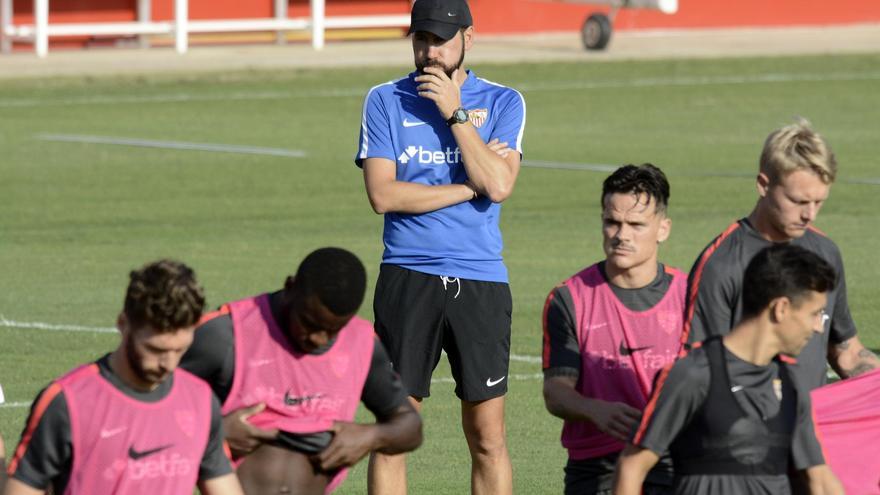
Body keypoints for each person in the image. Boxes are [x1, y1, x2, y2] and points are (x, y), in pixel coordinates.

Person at [355, 0, 526, 493]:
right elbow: (383, 194)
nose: (429, 52)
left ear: (468, 39)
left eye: (440, 40)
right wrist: (466, 187)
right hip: (408, 276)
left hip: (481, 280)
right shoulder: (385, 100)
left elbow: (499, 184)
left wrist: (454, 113)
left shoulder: (503, 102)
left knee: (488, 437)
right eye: (421, 39)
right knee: (395, 433)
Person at [178, 247, 422, 495]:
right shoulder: (226, 334)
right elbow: (152, 411)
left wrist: (371, 436)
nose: (317, 339)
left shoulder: (361, 343)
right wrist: (216, 433)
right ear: (290, 287)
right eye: (309, 322)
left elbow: (410, 427)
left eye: (332, 331)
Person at [614, 244, 845, 495]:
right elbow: (632, 467)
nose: (819, 327)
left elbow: (819, 478)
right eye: (815, 314)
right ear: (781, 309)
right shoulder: (693, 373)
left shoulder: (793, 379)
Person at [4, 260, 242, 495]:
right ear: (123, 324)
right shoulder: (68, 402)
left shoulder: (199, 399)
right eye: (155, 350)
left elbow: (222, 484)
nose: (168, 364)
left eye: (180, 350)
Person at [684, 120, 879, 390]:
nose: (809, 214)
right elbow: (700, 368)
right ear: (764, 185)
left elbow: (846, 351)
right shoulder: (722, 264)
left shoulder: (825, 252)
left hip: (811, 425)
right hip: (748, 427)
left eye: (819, 202)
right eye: (798, 201)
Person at [542, 164, 684, 495]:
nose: (622, 235)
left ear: (663, 229)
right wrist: (594, 410)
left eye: (636, 225)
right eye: (612, 222)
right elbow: (555, 391)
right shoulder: (569, 298)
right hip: (597, 468)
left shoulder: (690, 296)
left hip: (674, 460)